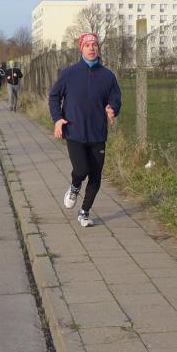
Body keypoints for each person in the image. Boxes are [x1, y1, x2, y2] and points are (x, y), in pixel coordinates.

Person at [49, 33, 121, 227]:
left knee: (96, 176)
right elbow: (54, 96)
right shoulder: (70, 73)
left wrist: (113, 108)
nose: (91, 48)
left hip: (98, 133)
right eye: (87, 45)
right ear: (81, 48)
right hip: (75, 131)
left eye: (94, 45)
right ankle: (74, 187)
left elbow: (115, 97)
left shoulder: (107, 76)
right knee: (81, 169)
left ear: (98, 48)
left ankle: (84, 213)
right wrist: (57, 119)